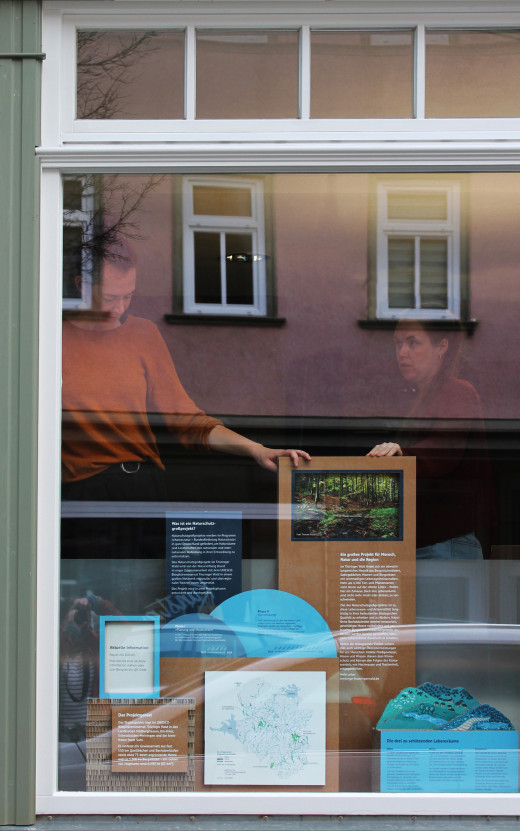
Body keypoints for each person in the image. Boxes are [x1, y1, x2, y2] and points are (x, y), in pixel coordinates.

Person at [61, 237, 310, 501]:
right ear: (81, 285)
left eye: (128, 296)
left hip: (140, 485)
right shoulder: (54, 337)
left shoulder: (142, 334)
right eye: (110, 297)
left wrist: (257, 450)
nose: (118, 309)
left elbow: (185, 420)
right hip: (78, 491)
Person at [367, 319, 491, 559]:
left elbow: (444, 449)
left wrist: (401, 453)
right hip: (428, 542)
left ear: (441, 347)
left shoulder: (457, 391)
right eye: (398, 343)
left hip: (444, 543)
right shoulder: (416, 400)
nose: (402, 353)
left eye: (413, 343)